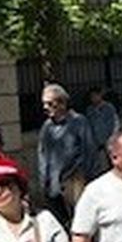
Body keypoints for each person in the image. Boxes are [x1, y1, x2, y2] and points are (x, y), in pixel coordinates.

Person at [36, 84, 97, 220]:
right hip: (52, 183)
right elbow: (42, 154)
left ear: (62, 103)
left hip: (74, 180)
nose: (45, 107)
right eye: (44, 104)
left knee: (80, 219)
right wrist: (43, 180)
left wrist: (87, 178)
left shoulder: (79, 122)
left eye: (50, 103)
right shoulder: (47, 127)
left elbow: (89, 151)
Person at [83, 87, 119, 175]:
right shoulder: (90, 109)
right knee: (98, 160)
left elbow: (115, 121)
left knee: (111, 156)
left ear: (100, 96)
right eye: (92, 97)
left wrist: (113, 135)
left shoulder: (108, 107)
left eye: (95, 96)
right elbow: (88, 123)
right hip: (96, 137)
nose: (94, 98)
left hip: (108, 135)